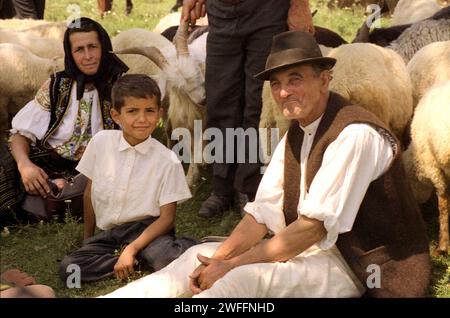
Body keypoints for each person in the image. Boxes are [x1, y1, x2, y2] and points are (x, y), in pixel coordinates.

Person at [102, 31, 430, 298]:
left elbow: (310, 228)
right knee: (192, 258)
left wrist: (230, 267)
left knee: (240, 281)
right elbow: (260, 215)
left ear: (324, 80)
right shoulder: (297, 134)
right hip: (309, 251)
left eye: (295, 78)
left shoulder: (354, 135)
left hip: (357, 264)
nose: (284, 91)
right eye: (276, 83)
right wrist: (216, 259)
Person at [181, 0, 315, 217]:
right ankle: (222, 186)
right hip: (221, 10)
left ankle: (249, 186)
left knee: (257, 101)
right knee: (220, 99)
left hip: (267, 10)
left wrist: (299, 5)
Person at [58, 74, 198, 283]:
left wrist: (132, 247)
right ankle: (133, 262)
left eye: (149, 111)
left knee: (164, 257)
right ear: (116, 115)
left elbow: (167, 218)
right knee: (70, 270)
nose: (142, 119)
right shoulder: (101, 142)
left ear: (159, 113)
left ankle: (187, 246)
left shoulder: (168, 160)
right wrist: (88, 240)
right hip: (111, 234)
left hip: (149, 230)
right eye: (132, 111)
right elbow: (89, 193)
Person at [8, 17, 129, 218]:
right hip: (53, 161)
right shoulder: (57, 86)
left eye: (93, 47)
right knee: (7, 164)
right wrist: (25, 166)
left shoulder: (121, 87)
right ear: (70, 54)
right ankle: (53, 193)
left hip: (100, 166)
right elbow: (21, 134)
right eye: (79, 50)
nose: (88, 56)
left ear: (105, 47)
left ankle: (53, 199)